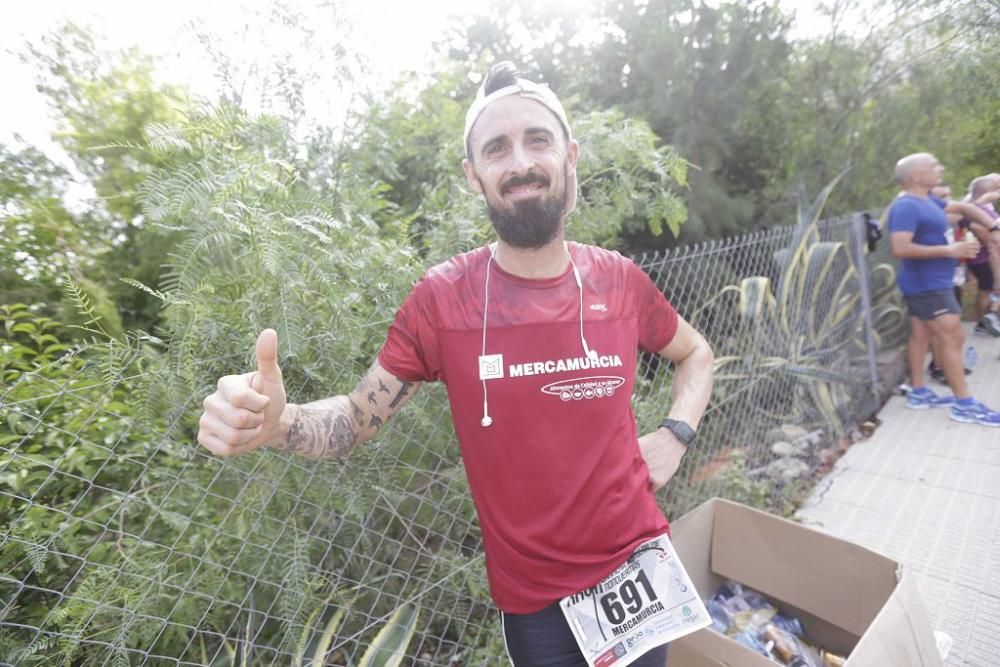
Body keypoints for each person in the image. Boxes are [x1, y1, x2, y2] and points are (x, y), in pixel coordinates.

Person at [197, 61, 715, 666]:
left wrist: (676, 435)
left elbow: (696, 353)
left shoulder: (619, 281)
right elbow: (357, 417)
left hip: (640, 567)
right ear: (474, 176)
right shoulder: (444, 301)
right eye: (497, 148)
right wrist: (277, 425)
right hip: (536, 604)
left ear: (569, 156)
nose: (520, 162)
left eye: (537, 140)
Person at [887, 153, 1000, 425]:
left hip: (934, 282)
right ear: (915, 175)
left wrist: (992, 225)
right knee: (952, 338)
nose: (941, 168)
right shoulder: (905, 207)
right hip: (927, 285)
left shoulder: (928, 201)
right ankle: (964, 404)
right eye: (934, 165)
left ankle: (919, 393)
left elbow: (964, 208)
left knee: (921, 335)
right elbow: (900, 248)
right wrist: (951, 250)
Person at [957, 175, 1000, 337]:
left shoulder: (985, 207)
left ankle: (989, 319)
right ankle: (984, 323)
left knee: (990, 289)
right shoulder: (978, 210)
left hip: (988, 255)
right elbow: (988, 237)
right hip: (984, 257)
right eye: (997, 188)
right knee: (987, 289)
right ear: (988, 191)